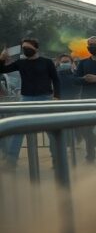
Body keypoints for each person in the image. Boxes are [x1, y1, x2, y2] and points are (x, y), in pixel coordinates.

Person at [0, 38, 60, 169]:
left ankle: (57, 160)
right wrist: (2, 58)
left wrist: (56, 97)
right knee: (18, 129)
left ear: (36, 48)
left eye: (28, 47)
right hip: (26, 98)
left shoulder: (47, 62)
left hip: (44, 98)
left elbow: (56, 80)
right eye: (23, 47)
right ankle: (11, 161)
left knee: (51, 130)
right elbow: (2, 70)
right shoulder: (21, 63)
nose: (25, 50)